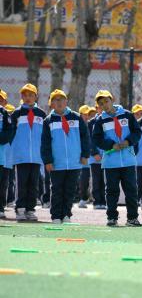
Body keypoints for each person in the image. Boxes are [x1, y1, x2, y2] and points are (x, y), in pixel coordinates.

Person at [91, 90, 142, 227]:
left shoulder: (127, 115)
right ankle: (112, 217)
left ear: (112, 99)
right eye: (101, 103)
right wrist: (111, 145)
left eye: (106, 101)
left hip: (128, 160)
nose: (105, 105)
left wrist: (128, 141)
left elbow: (137, 132)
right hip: (110, 162)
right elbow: (96, 138)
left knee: (131, 190)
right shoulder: (100, 120)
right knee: (112, 191)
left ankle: (132, 218)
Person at [40, 89, 90, 224]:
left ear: (66, 101)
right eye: (55, 100)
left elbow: (85, 137)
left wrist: (85, 154)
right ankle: (56, 216)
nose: (59, 102)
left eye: (61, 99)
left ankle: (66, 215)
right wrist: (48, 160)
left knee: (70, 190)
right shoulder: (48, 121)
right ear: (51, 104)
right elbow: (45, 143)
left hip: (74, 161)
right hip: (57, 163)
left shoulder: (76, 117)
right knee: (56, 190)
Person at [9, 83, 45, 221]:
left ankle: (30, 209)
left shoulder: (41, 114)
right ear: (21, 97)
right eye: (25, 95)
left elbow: (44, 135)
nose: (28, 97)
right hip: (21, 155)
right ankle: (20, 209)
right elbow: (11, 133)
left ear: (36, 96)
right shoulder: (16, 114)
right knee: (21, 183)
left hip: (36, 156)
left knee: (33, 184)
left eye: (31, 95)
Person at [88, 104, 106, 210]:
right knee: (96, 179)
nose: (102, 109)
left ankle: (104, 201)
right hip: (95, 158)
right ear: (96, 109)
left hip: (107, 156)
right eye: (100, 107)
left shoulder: (109, 121)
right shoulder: (91, 123)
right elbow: (90, 139)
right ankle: (96, 201)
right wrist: (94, 153)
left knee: (105, 180)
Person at [76, 105, 92, 208]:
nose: (87, 117)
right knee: (82, 178)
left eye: (88, 115)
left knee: (87, 179)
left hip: (91, 157)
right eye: (85, 114)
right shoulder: (76, 126)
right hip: (79, 157)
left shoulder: (91, 125)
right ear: (80, 114)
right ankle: (82, 198)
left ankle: (86, 198)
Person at [0, 90, 11, 219]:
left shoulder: (4, 113)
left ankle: (0, 207)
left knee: (1, 183)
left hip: (1, 156)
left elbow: (9, 130)